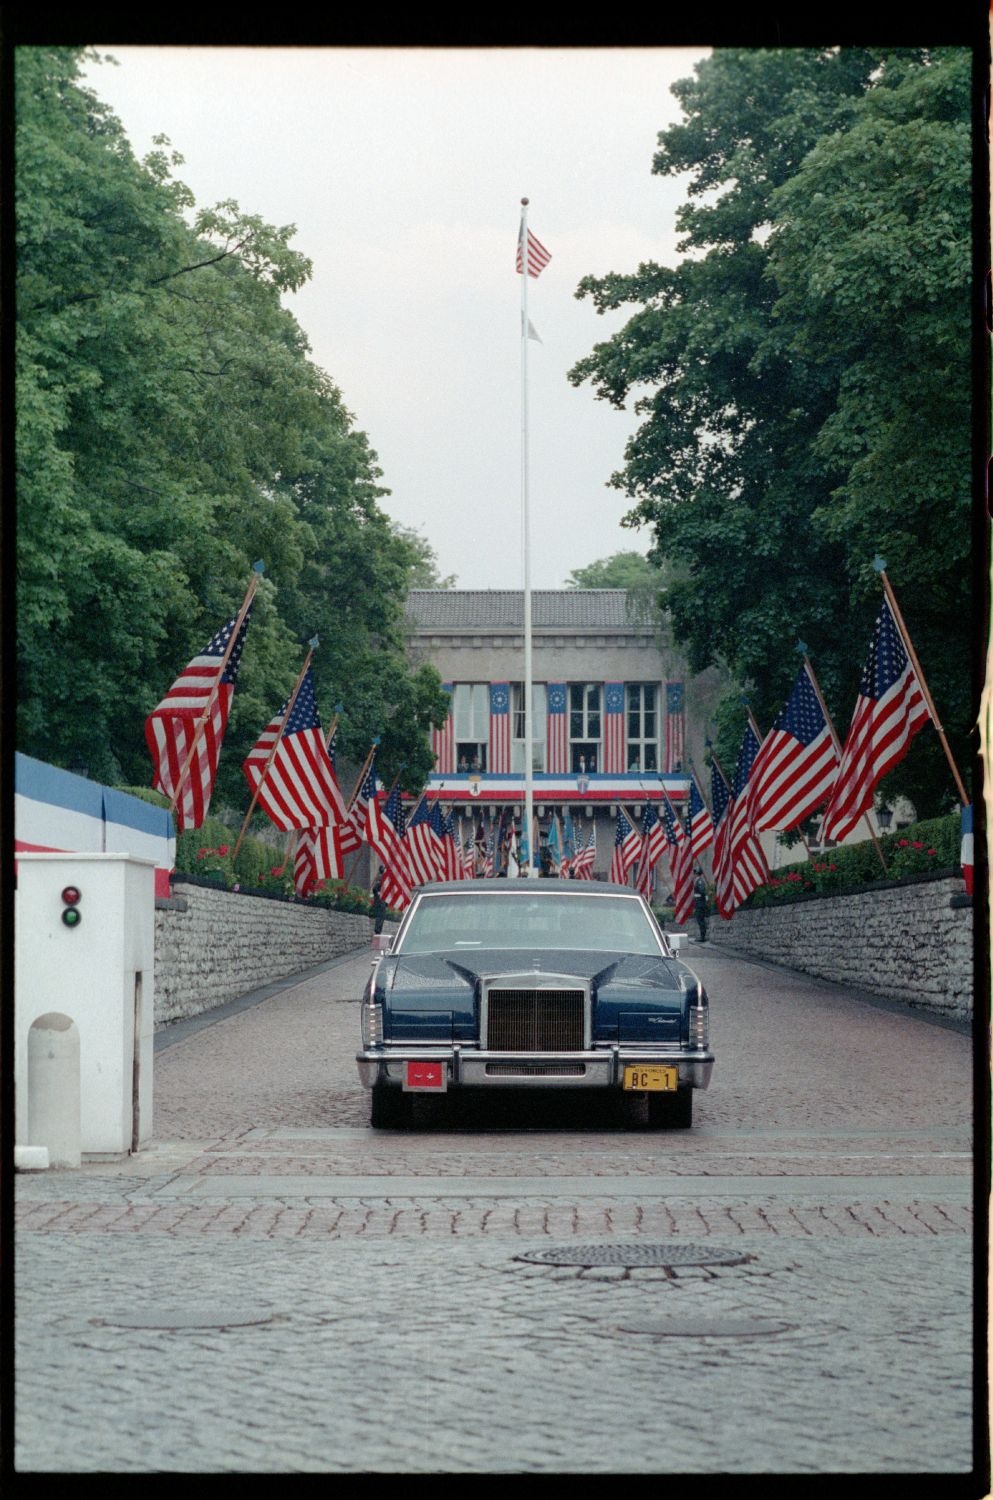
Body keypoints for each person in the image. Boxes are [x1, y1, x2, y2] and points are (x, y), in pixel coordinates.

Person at [692, 867, 708, 943]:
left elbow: (702, 892)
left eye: (695, 873)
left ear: (697, 873)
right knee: (699, 920)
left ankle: (703, 937)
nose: (694, 874)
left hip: (700, 903)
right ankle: (702, 936)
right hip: (698, 903)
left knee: (701, 920)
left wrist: (696, 897)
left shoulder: (700, 881)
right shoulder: (697, 880)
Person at [372, 867, 387, 935]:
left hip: (382, 901)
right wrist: (379, 894)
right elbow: (375, 888)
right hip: (380, 901)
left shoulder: (382, 878)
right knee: (380, 916)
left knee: (382, 916)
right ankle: (377, 930)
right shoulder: (381, 878)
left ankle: (379, 930)